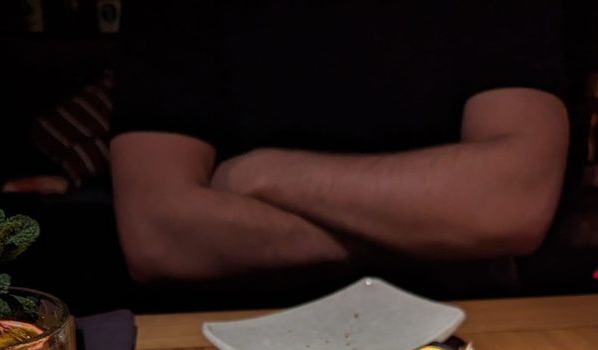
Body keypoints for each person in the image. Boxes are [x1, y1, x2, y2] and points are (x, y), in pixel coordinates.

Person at [109, 1, 572, 308]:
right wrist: (426, 230)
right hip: (222, 337)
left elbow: (514, 205)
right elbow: (157, 234)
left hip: (469, 335)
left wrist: (262, 173)